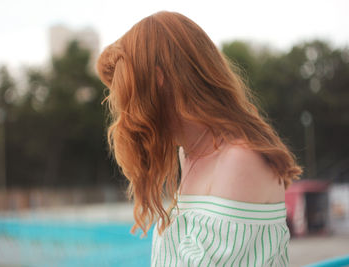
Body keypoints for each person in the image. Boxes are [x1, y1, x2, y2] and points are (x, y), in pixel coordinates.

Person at [96, 10, 303, 267]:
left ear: (159, 80)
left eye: (129, 97)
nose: (125, 115)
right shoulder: (190, 153)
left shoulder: (238, 160)